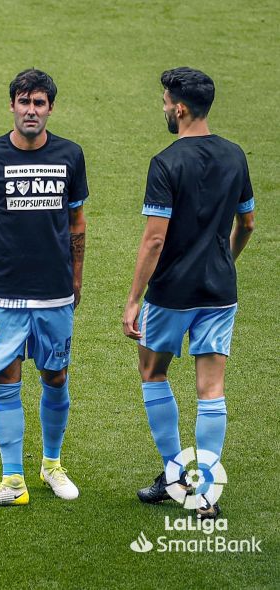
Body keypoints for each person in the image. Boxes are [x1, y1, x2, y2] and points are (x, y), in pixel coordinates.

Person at [123, 67, 254, 519]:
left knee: (153, 373)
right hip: (219, 291)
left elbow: (154, 239)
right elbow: (247, 223)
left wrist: (134, 298)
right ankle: (206, 494)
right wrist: (224, 260)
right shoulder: (235, 155)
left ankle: (175, 473)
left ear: (179, 108)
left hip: (170, 294)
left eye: (164, 101)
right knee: (211, 388)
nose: (162, 107)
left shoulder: (166, 162)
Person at [0, 69, 88, 508]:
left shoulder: (70, 155)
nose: (31, 110)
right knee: (4, 378)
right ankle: (13, 481)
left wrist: (76, 278)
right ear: (12, 105)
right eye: (24, 101)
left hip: (54, 292)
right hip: (3, 293)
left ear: (50, 108)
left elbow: (77, 223)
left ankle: (52, 465)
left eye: (39, 103)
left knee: (56, 376)